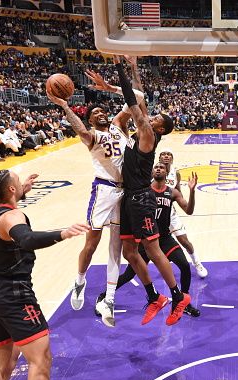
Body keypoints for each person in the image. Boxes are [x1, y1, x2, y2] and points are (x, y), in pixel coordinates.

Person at [46, 66, 145, 327]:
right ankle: (80, 280)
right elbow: (79, 131)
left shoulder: (118, 125)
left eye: (102, 111)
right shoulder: (92, 136)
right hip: (103, 190)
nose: (100, 113)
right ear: (90, 120)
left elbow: (139, 98)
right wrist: (65, 107)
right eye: (94, 113)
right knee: (91, 243)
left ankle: (110, 297)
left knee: (117, 248)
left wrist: (112, 86)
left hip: (125, 193)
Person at [0, 169, 89, 380]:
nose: (22, 184)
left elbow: (2, 199)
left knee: (5, 364)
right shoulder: (12, 217)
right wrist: (63, 233)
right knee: (41, 360)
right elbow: (27, 239)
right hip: (13, 293)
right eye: (18, 183)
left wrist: (21, 190)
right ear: (10, 189)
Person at [114, 56, 190, 326]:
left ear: (160, 128)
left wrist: (119, 68)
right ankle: (154, 297)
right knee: (129, 252)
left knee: (152, 249)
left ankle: (177, 296)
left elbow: (133, 101)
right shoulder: (146, 128)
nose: (152, 115)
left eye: (157, 117)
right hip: (128, 198)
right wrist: (134, 67)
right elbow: (140, 97)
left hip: (141, 198)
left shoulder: (147, 133)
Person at [96, 162, 201, 317]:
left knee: (185, 265)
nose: (158, 169)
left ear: (167, 173)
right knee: (129, 274)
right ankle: (105, 295)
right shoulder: (143, 191)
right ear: (151, 172)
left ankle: (182, 302)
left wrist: (192, 192)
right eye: (156, 167)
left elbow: (189, 210)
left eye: (162, 168)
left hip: (164, 238)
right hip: (146, 240)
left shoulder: (172, 193)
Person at [159, 150, 208, 278]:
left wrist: (191, 191)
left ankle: (197, 263)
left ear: (172, 159)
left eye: (169, 154)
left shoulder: (176, 174)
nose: (166, 156)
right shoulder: (153, 172)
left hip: (169, 213)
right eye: (163, 154)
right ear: (158, 158)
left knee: (184, 241)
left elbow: (178, 195)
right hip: (156, 215)